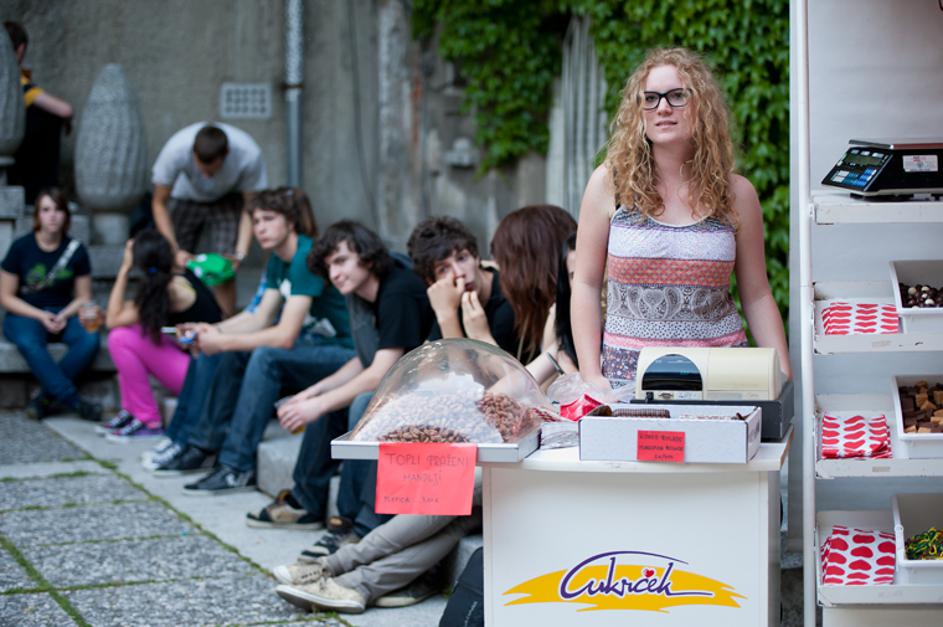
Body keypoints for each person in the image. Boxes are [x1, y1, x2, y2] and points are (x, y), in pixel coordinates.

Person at [571, 47, 790, 389]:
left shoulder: (736, 194)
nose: (663, 108)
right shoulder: (610, 184)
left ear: (701, 105)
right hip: (628, 384)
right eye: (650, 99)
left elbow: (758, 295)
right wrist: (591, 375)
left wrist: (784, 378)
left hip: (720, 382)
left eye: (677, 96)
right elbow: (585, 284)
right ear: (638, 111)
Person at [155, 189, 354, 497]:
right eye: (256, 221)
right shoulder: (278, 260)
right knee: (229, 349)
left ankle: (237, 466)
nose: (260, 228)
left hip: (345, 354)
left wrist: (223, 342)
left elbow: (285, 336)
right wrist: (211, 331)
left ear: (290, 222)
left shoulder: (305, 257)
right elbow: (258, 317)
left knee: (264, 356)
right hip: (313, 346)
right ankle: (203, 445)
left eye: (268, 219)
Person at [246, 221, 433, 541]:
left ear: (367, 256)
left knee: (359, 403)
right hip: (400, 384)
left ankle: (351, 521)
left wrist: (318, 405)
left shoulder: (397, 289)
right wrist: (314, 393)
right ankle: (306, 501)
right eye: (330, 266)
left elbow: (380, 372)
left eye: (341, 261)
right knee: (332, 400)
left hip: (425, 393)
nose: (334, 273)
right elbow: (364, 359)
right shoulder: (363, 293)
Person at [100, 230, 222, 441]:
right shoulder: (175, 278)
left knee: (118, 338)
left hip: (205, 374)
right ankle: (132, 411)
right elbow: (123, 313)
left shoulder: (171, 289)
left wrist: (124, 268)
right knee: (128, 332)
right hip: (202, 364)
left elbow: (113, 319)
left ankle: (149, 421)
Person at [0, 188, 100, 421]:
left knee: (90, 339)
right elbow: (5, 297)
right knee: (29, 342)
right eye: (46, 210)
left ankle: (44, 399)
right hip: (26, 313)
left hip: (64, 312)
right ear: (37, 216)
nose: (52, 216)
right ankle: (74, 401)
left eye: (58, 210)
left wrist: (64, 314)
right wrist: (40, 315)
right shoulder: (21, 247)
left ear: (66, 215)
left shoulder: (76, 250)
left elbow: (84, 296)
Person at [150, 121, 268, 316]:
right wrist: (174, 249)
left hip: (227, 198)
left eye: (212, 171)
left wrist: (239, 253)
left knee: (224, 268)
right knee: (170, 262)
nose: (206, 176)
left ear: (226, 154)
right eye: (201, 169)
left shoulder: (248, 154)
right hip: (184, 197)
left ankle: (225, 324)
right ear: (192, 153)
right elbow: (159, 203)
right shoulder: (175, 150)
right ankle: (168, 321)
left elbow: (250, 207)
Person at [407, 216, 518, 355]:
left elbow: (466, 368)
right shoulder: (451, 298)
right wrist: (446, 313)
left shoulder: (507, 297)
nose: (459, 273)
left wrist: (447, 316)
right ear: (432, 281)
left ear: (476, 257)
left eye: (462, 258)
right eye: (443, 269)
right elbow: (425, 363)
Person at [4, 21, 74, 205]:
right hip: (21, 171)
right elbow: (65, 109)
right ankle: (41, 194)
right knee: (47, 115)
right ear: (20, 50)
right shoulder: (16, 82)